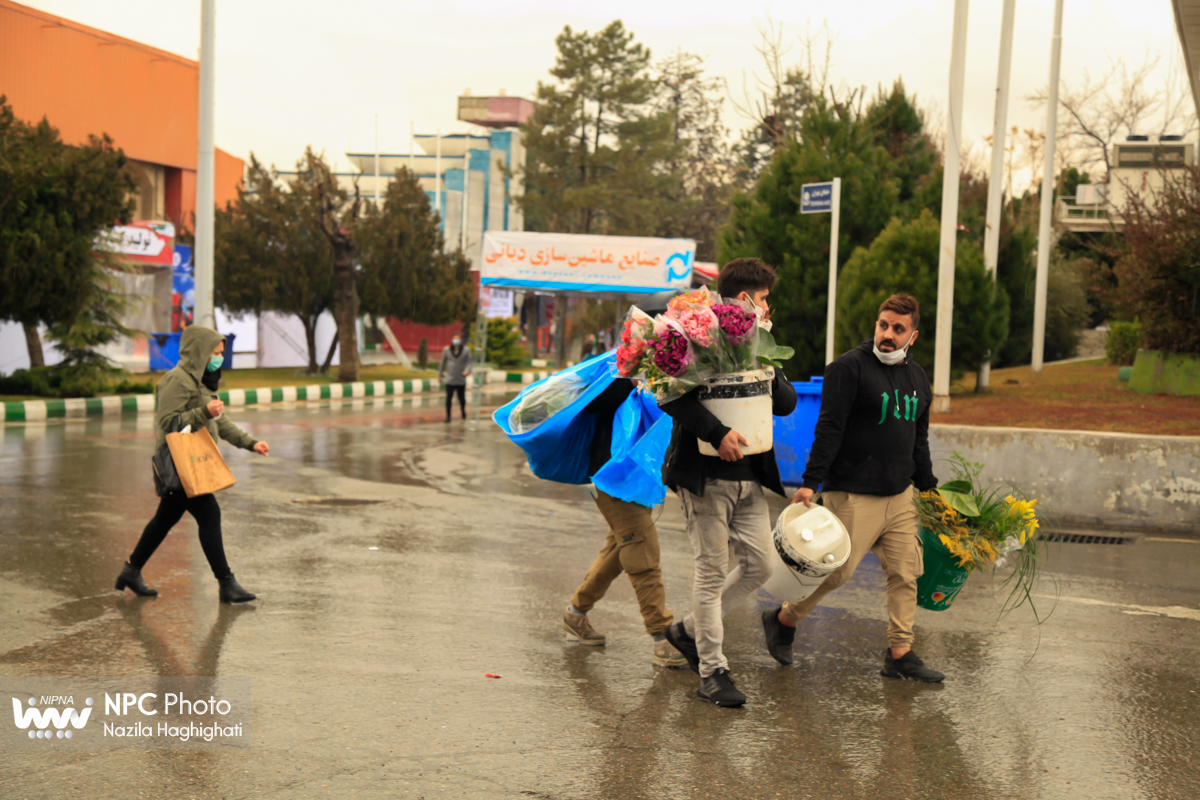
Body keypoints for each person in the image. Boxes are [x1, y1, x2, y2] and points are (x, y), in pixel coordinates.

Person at [761, 294, 944, 682]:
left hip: (900, 495)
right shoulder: (848, 368)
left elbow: (918, 439)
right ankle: (783, 618)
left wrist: (928, 487)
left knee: (906, 572)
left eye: (898, 329)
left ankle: (900, 652)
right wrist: (811, 483)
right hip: (854, 492)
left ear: (913, 335)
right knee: (837, 574)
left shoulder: (918, 378)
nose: (887, 335)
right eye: (883, 325)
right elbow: (828, 428)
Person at [660, 258, 798, 707]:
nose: (767, 307)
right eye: (762, 300)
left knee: (761, 566)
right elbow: (669, 395)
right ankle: (713, 671)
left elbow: (786, 404)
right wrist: (716, 434)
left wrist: (763, 347)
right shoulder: (696, 337)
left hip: (749, 477)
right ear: (743, 298)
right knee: (711, 572)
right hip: (705, 479)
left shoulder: (757, 342)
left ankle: (687, 631)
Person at [115, 326, 268, 603]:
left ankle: (131, 571)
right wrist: (202, 412)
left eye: (222, 353)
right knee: (209, 515)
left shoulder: (202, 380)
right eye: (216, 353)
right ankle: (226, 584)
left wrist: (250, 443)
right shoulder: (176, 380)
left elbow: (219, 421)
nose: (220, 358)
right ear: (200, 351)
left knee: (164, 520)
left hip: (191, 463)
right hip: (179, 463)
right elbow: (168, 422)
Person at [561, 377, 687, 669]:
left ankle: (575, 614)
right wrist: (628, 380)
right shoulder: (613, 373)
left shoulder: (663, 367)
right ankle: (662, 639)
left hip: (638, 475)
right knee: (641, 549)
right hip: (613, 476)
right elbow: (591, 403)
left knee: (618, 550)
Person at [438, 334, 471, 422]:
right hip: (450, 379)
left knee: (462, 398)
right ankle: (448, 416)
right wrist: (439, 375)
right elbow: (442, 363)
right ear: (452, 340)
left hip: (460, 379)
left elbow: (470, 363)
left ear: (461, 340)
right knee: (448, 398)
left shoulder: (466, 350)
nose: (456, 340)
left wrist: (467, 370)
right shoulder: (447, 350)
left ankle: (463, 412)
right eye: (455, 339)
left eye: (458, 339)